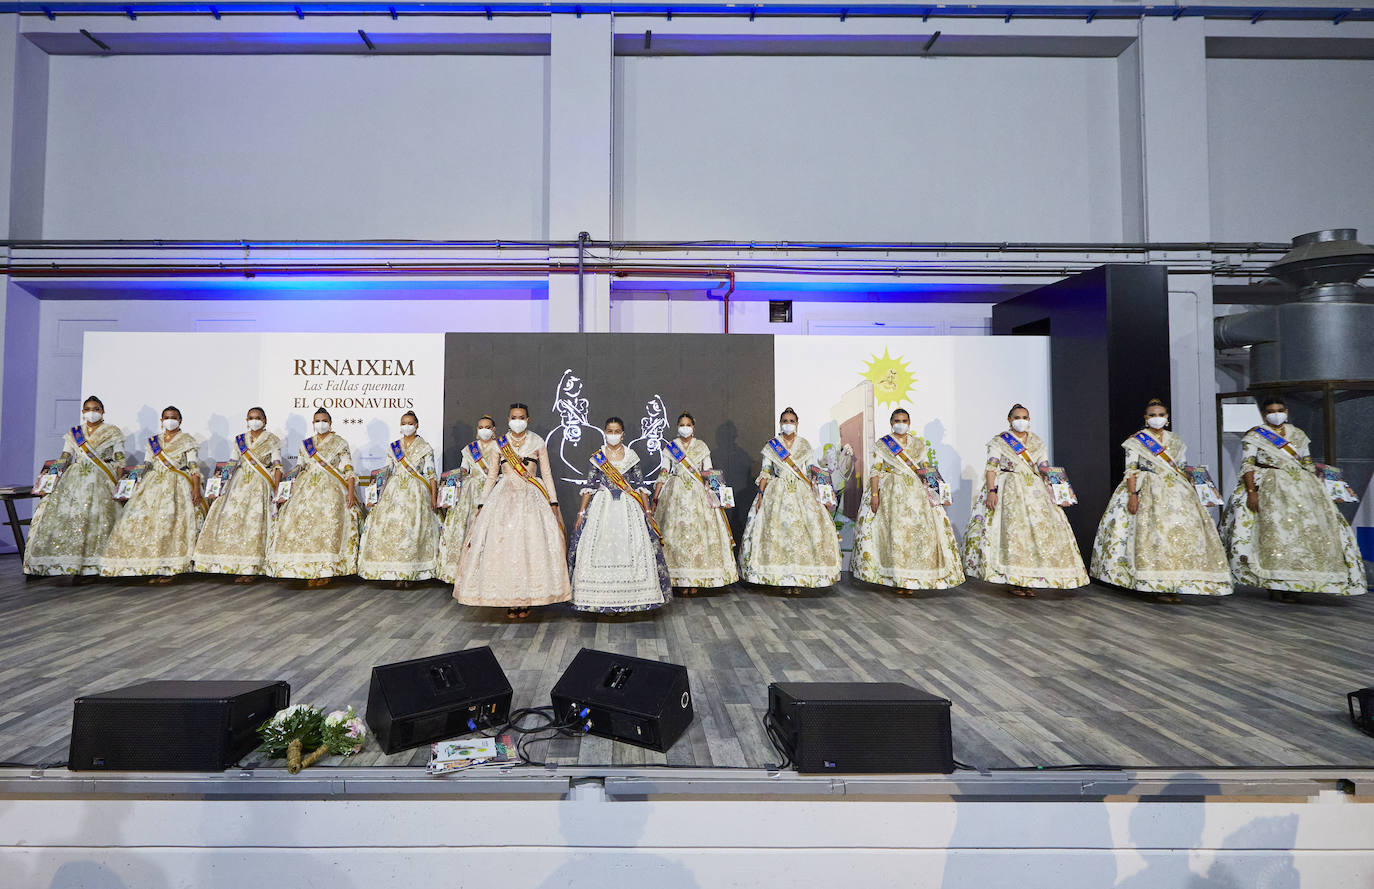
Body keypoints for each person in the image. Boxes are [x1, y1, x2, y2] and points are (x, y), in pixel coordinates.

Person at [1220, 396, 1366, 601]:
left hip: (1301, 486)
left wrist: (1328, 489)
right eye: (1271, 411)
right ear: (1263, 414)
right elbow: (1248, 464)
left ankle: (1299, 581)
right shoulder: (1255, 435)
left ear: (1286, 412)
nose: (1276, 414)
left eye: (1280, 410)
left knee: (1305, 531)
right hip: (1269, 482)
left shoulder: (1298, 434)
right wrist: (1252, 492)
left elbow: (1307, 463)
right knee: (1275, 531)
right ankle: (1274, 582)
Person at [1090, 399, 1232, 602]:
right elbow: (1131, 469)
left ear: (1167, 418)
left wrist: (1201, 485)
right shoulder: (1137, 440)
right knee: (1153, 536)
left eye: (1161, 415)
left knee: (1178, 535)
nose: (1157, 418)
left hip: (1177, 491)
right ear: (1146, 418)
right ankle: (1155, 584)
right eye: (1152, 415)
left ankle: (1175, 584)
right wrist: (1133, 495)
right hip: (1147, 488)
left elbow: (1182, 466)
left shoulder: (1176, 441)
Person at [453, 403, 572, 618]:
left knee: (530, 547)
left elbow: (546, 473)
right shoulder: (500, 443)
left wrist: (553, 502)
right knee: (505, 548)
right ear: (508, 419)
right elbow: (491, 476)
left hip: (532, 497)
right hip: (504, 496)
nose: (517, 420)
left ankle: (527, 599)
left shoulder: (537, 441)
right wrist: (482, 503)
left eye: (521, 417)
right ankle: (509, 599)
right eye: (513, 417)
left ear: (527, 419)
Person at [963, 403, 1088, 597]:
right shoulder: (1000, 441)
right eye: (1017, 417)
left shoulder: (1037, 442)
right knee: (1013, 534)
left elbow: (1045, 469)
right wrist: (991, 491)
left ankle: (1030, 579)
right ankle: (1015, 580)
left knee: (1038, 533)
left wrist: (1061, 493)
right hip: (1009, 488)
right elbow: (991, 468)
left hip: (1034, 491)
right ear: (1009, 420)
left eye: (1025, 417)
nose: (1021, 421)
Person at [852, 408, 964, 594]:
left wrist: (939, 494)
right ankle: (897, 577)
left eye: (904, 420)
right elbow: (876, 471)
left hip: (916, 494)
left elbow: (927, 470)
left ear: (909, 423)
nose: (900, 423)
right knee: (895, 534)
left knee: (916, 534)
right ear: (891, 422)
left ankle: (914, 577)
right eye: (897, 420)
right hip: (891, 493)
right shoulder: (884, 445)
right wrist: (874, 495)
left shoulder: (919, 445)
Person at [567, 417, 670, 613]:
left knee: (634, 547)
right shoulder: (598, 456)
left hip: (628, 505)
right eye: (609, 431)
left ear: (622, 434)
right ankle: (599, 599)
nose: (613, 435)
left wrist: (647, 511)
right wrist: (581, 512)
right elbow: (589, 485)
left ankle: (630, 599)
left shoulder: (632, 456)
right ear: (605, 432)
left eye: (616, 431)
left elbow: (640, 485)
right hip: (601, 505)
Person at [739, 407, 841, 594]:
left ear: (797, 424)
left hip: (801, 492)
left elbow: (812, 471)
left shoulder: (804, 445)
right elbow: (766, 472)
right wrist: (761, 495)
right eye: (785, 421)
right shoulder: (772, 446)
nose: (788, 424)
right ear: (780, 423)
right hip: (777, 492)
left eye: (791, 421)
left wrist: (822, 494)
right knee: (779, 534)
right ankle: (782, 578)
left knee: (801, 534)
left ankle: (799, 578)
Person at [23, 396, 125, 579]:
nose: (91, 412)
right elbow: (65, 457)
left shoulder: (112, 432)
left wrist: (120, 484)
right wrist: (49, 479)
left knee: (97, 519)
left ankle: (94, 566)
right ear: (83, 412)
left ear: (102, 411)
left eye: (96, 408)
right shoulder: (74, 433)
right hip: (75, 477)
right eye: (87, 409)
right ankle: (63, 563)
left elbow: (119, 459)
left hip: (102, 478)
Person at [100, 405, 204, 582]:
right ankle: (150, 565)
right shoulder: (153, 441)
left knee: (169, 523)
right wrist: (134, 484)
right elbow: (147, 465)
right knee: (145, 522)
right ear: (162, 421)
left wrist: (195, 487)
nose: (170, 420)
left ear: (180, 420)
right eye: (166, 417)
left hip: (176, 483)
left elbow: (193, 466)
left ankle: (169, 567)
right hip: (152, 483)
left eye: (174, 417)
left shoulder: (187, 440)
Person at [265, 408, 360, 587]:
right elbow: (299, 467)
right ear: (313, 423)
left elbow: (347, 468)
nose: (320, 424)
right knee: (301, 525)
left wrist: (350, 492)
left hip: (331, 488)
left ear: (330, 423)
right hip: (305, 488)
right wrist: (286, 489)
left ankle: (326, 571)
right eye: (317, 420)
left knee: (327, 526)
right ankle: (307, 569)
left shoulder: (340, 443)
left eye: (324, 420)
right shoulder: (306, 444)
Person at [652, 411, 738, 596]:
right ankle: (679, 579)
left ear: (693, 426)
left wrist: (718, 495)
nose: (685, 428)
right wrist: (656, 496)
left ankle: (697, 579)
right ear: (677, 427)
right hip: (675, 494)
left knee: (698, 535)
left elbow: (708, 471)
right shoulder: (671, 447)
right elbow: (664, 472)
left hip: (698, 494)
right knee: (675, 536)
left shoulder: (701, 447)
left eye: (688, 425)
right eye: (681, 425)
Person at [193, 406, 283, 582]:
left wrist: (276, 489)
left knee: (254, 524)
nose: (253, 421)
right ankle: (234, 564)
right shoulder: (239, 440)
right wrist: (220, 482)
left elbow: (277, 466)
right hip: (239, 483)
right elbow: (233, 462)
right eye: (250, 417)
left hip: (260, 483)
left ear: (264, 421)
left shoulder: (272, 440)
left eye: (257, 417)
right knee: (233, 521)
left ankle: (251, 568)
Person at [357, 411, 440, 585]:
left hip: (416, 491)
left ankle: (410, 572)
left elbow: (431, 473)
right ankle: (394, 571)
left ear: (417, 425)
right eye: (403, 423)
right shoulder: (393, 446)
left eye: (410, 423)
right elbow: (386, 471)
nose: (406, 426)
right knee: (393, 528)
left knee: (412, 530)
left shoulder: (425, 447)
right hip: (393, 491)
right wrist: (374, 492)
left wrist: (434, 497)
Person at [437, 415, 498, 584]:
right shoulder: (470, 448)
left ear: (493, 430)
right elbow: (464, 468)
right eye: (480, 427)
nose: (483, 430)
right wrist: (451, 479)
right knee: (463, 526)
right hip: (470, 490)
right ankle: (460, 571)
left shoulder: (500, 447)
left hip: (492, 488)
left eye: (487, 427)